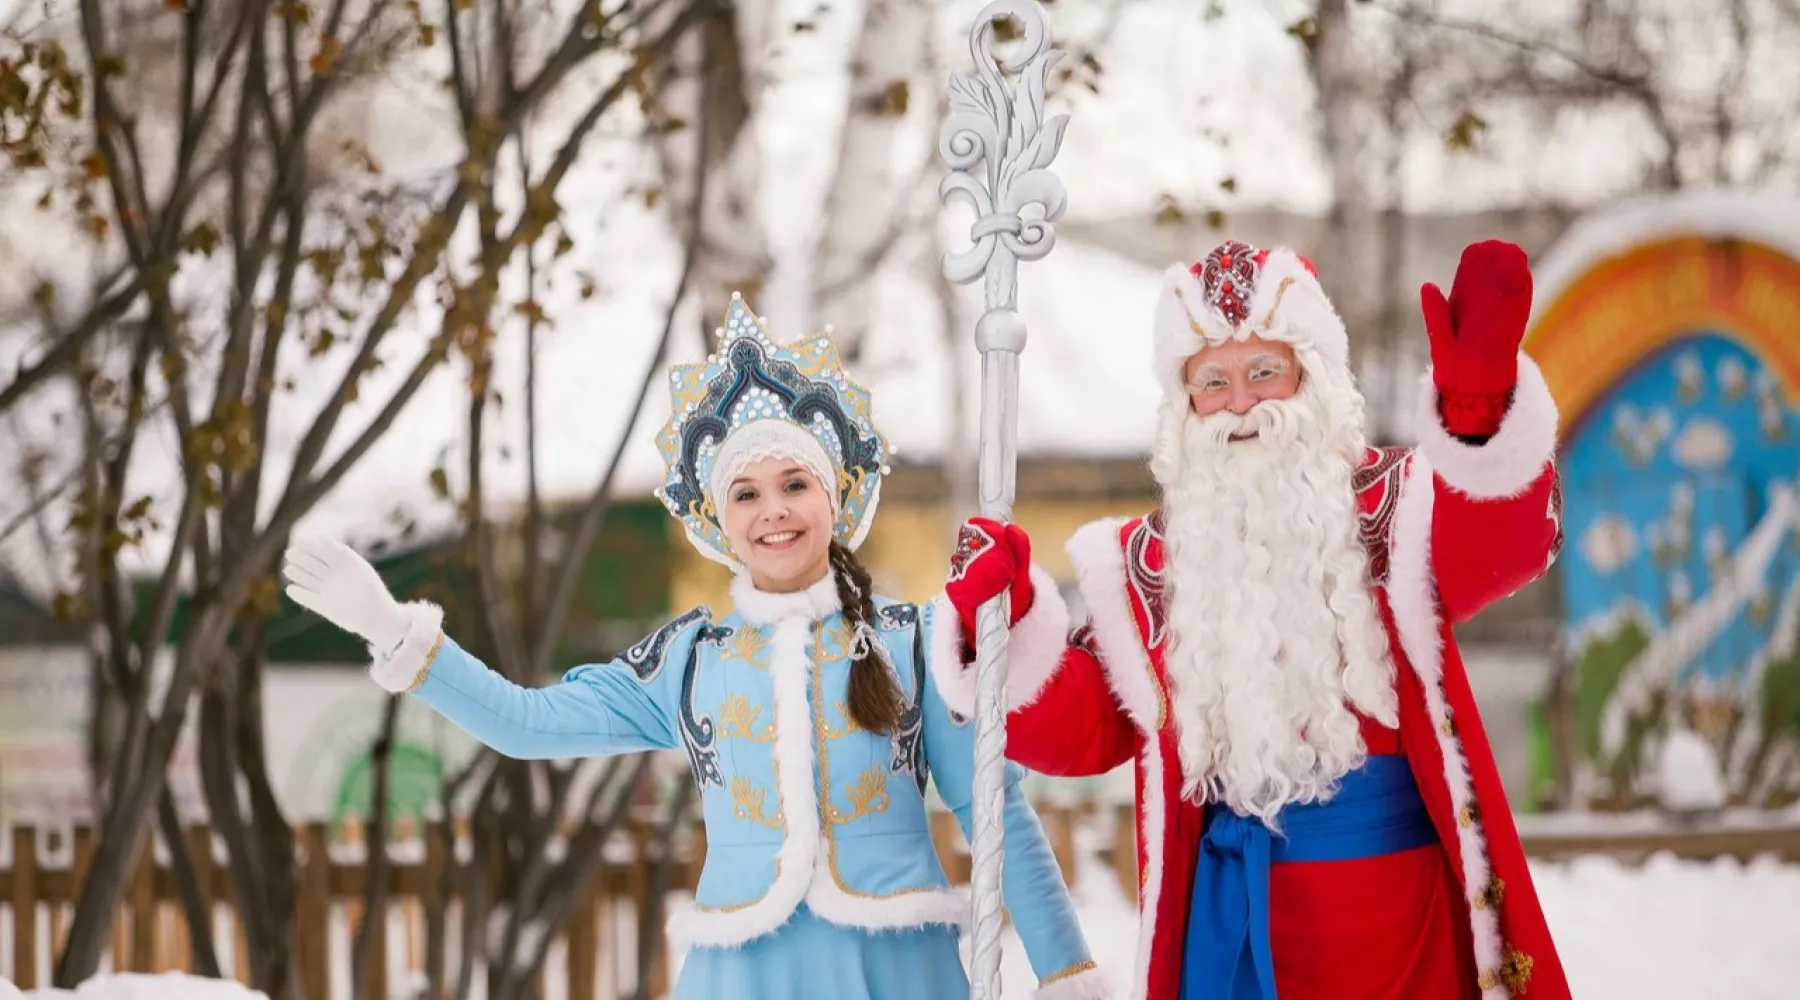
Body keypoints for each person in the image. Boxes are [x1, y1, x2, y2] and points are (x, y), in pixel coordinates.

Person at [282, 295, 1110, 1000]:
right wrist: (398, 632)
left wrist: (1067, 971)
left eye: (795, 485)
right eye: (745, 493)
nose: (773, 511)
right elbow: (527, 724)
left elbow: (994, 812)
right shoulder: (688, 660)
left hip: (894, 971)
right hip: (740, 974)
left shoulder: (915, 641)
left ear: (839, 496)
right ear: (718, 522)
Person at [934, 241, 1572, 999]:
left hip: (1399, 924)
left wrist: (1476, 416)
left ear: (1312, 376)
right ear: (1184, 401)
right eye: (1213, 381)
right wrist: (998, 624)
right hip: (1233, 929)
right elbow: (1088, 724)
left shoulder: (1394, 508)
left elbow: (1501, 548)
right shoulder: (1149, 563)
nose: (1241, 403)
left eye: (1264, 371)